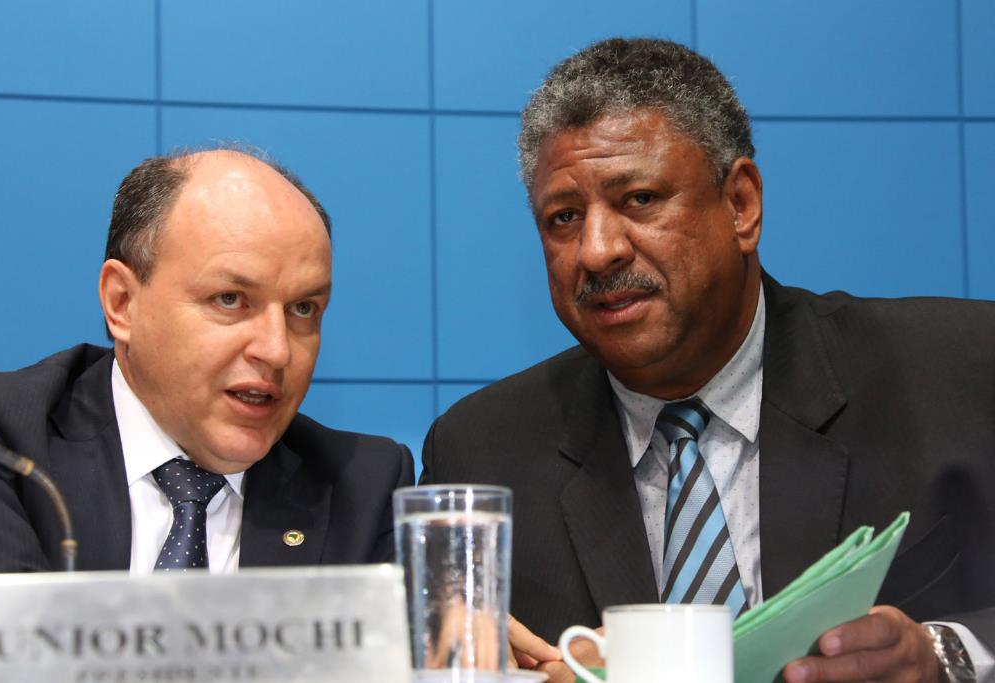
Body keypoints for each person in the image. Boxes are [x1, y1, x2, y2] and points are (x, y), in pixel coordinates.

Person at [420, 38, 995, 682]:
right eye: (564, 217)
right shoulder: (481, 453)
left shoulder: (961, 368)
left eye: (638, 199)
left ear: (741, 204)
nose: (597, 250)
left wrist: (948, 656)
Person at [0, 148, 413, 574]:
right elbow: (11, 625)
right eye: (230, 299)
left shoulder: (363, 488)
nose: (277, 350)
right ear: (122, 302)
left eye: (302, 309)